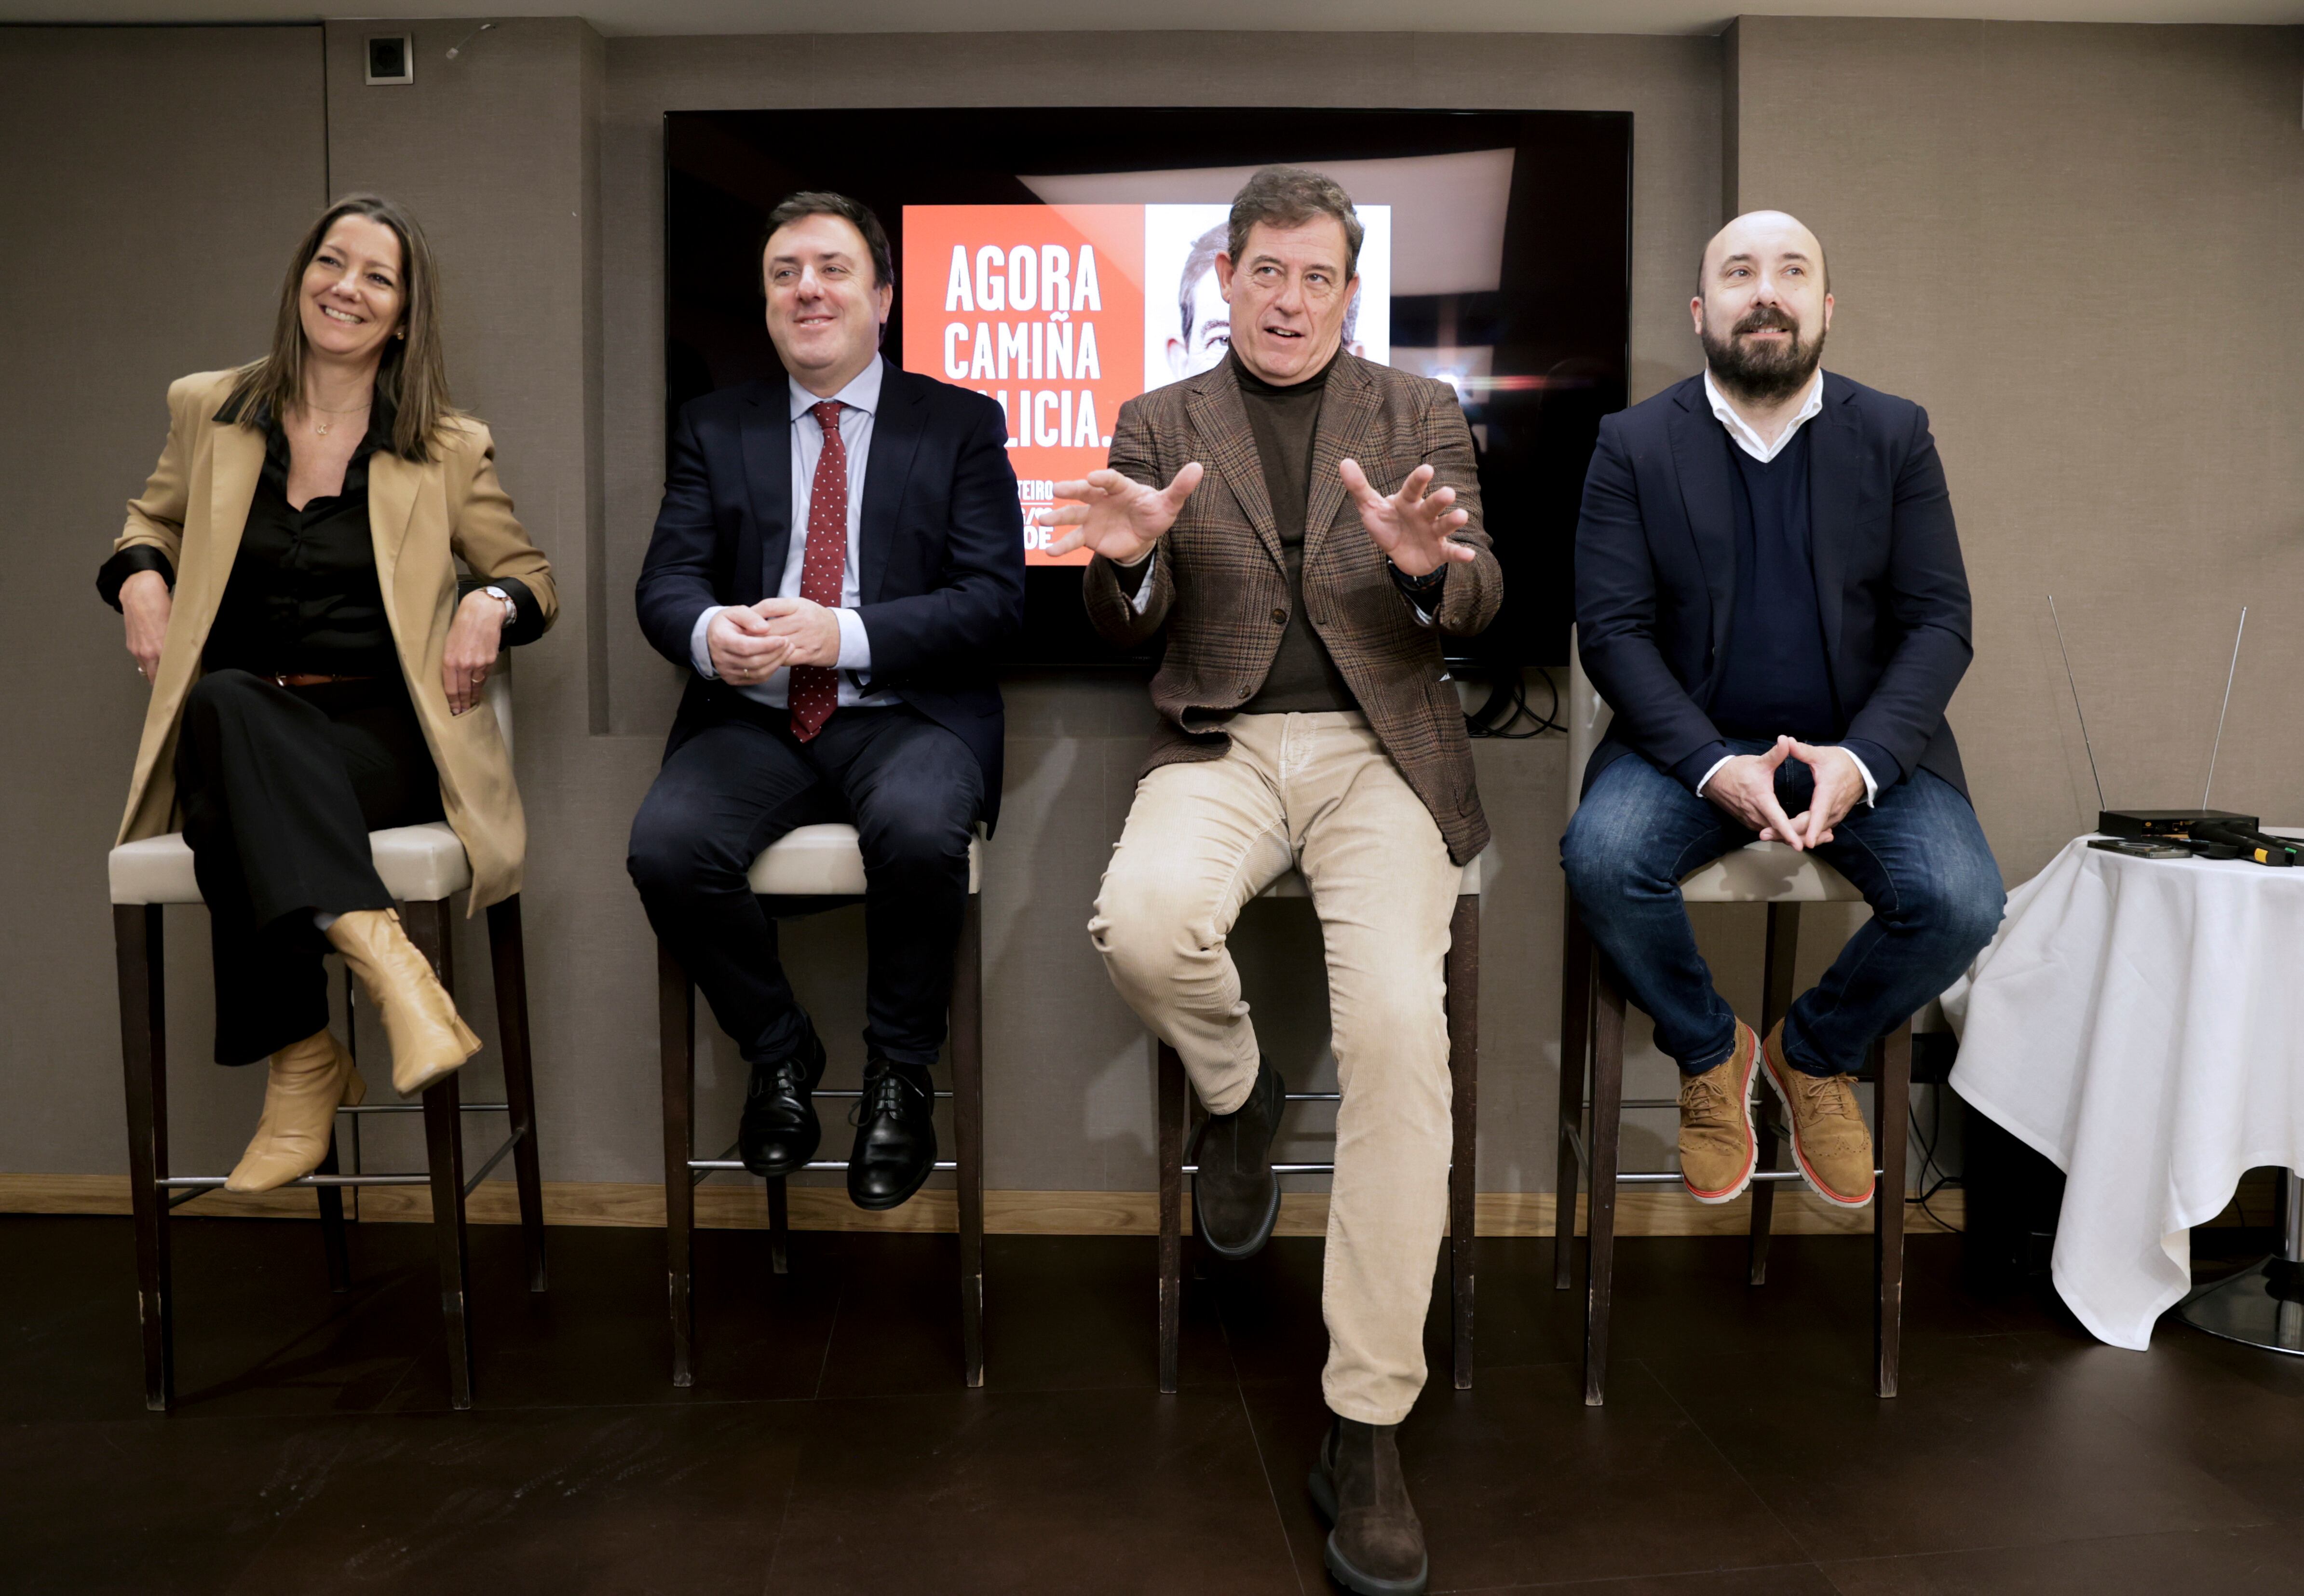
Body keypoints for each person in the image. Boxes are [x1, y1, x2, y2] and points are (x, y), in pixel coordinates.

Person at [1043, 166, 1496, 1596]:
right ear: (1222, 279)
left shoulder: (1419, 410)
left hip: (1382, 752)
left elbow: (1479, 593)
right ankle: (1242, 1099)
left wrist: (1433, 576)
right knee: (1143, 923)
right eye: (1264, 274)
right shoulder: (1160, 419)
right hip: (1224, 740)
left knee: (1396, 1043)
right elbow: (1133, 618)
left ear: (1348, 292)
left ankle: (1366, 1422)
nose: (1288, 300)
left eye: (1316, 278)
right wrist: (1120, 570)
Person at [100, 195, 556, 1194]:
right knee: (224, 708)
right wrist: (139, 575)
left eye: (377, 277)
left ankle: (305, 1060)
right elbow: (149, 518)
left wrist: (489, 603)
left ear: (403, 313)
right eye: (331, 262)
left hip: (377, 738)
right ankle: (383, 961)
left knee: (225, 780)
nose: (346, 287)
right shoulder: (210, 407)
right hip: (246, 720)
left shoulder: (445, 444)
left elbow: (529, 573)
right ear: (301, 273)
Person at [1561, 209, 2002, 1213]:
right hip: (1690, 749)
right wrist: (1717, 767)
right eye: (1739, 272)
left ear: (1825, 305)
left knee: (1963, 899)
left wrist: (1864, 761)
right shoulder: (1631, 445)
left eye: (1791, 271)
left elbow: (1939, 620)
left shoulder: (1893, 433)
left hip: (1863, 749)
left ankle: (1814, 1053)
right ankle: (1712, 1051)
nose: (1766, 290)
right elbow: (1614, 634)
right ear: (1699, 309)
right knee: (1600, 857)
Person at [629, 192, 1024, 1212]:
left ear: (882, 296)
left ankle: (898, 1073)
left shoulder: (962, 424)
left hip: (908, 714)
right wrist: (712, 634)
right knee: (665, 846)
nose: (807, 287)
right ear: (767, 304)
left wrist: (840, 635)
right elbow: (665, 583)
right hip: (752, 718)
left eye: (833, 268)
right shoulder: (714, 426)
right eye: (784, 273)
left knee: (919, 825)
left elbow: (993, 602)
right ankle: (780, 1052)